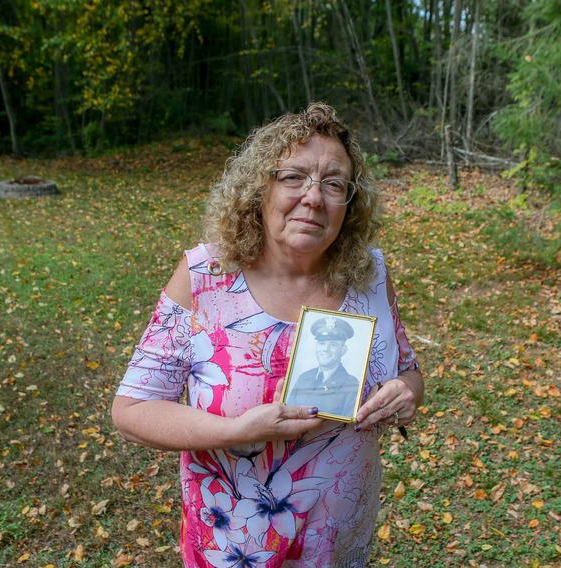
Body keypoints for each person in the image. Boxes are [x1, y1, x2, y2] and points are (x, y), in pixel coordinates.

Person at [111, 102, 423, 567]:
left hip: (338, 542)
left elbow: (409, 372)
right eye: (294, 177)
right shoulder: (207, 276)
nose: (314, 197)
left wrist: (405, 393)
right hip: (236, 548)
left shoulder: (370, 273)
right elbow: (131, 410)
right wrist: (236, 429)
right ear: (260, 189)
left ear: (349, 204)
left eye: (334, 183)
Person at [285, 316, 361, 417]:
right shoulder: (303, 378)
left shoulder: (352, 385)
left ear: (343, 350)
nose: (325, 349)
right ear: (316, 346)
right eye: (321, 343)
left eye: (333, 345)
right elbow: (288, 412)